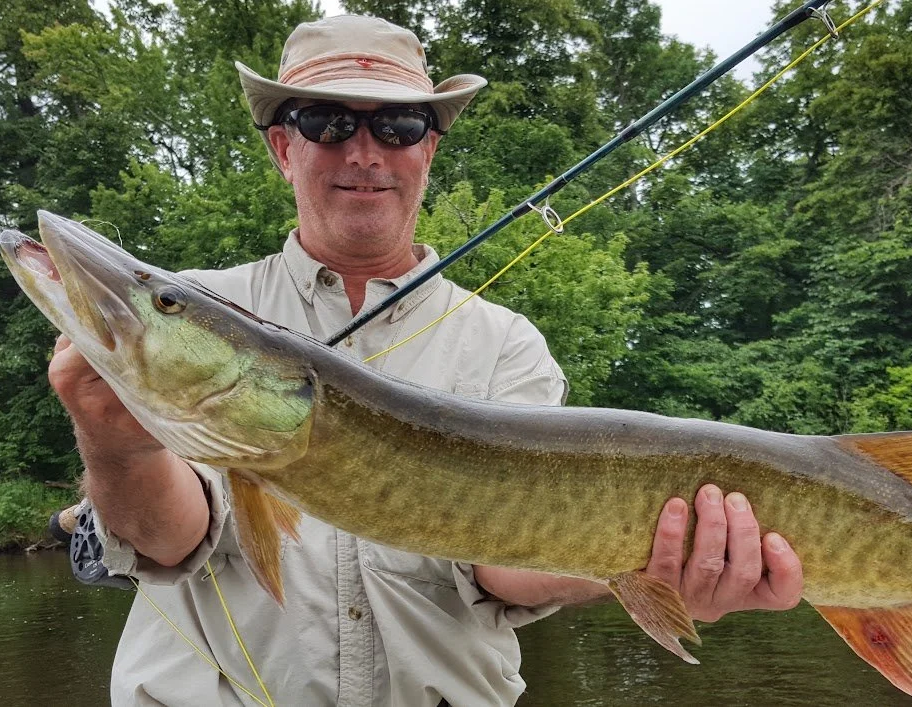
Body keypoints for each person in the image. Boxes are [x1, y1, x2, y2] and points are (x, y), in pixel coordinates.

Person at [47, 15, 802, 707]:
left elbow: (499, 564)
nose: (365, 151)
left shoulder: (506, 343)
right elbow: (171, 538)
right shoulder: (208, 311)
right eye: (328, 120)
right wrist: (117, 443)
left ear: (429, 150)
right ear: (284, 145)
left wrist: (649, 561)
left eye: (400, 125)